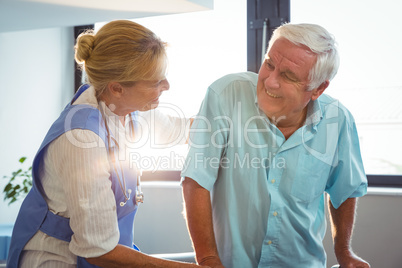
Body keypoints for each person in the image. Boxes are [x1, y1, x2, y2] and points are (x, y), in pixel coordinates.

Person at [7, 20, 202, 268]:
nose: (167, 86)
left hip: (101, 252)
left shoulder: (127, 108)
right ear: (117, 88)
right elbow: (99, 251)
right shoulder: (81, 140)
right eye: (155, 82)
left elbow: (180, 130)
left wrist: (242, 120)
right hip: (57, 259)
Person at [181, 23, 370, 268]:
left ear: (318, 88)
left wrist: (344, 252)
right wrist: (207, 259)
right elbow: (196, 180)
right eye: (269, 64)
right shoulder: (224, 95)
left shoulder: (338, 119)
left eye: (288, 76)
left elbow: (345, 189)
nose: (270, 82)